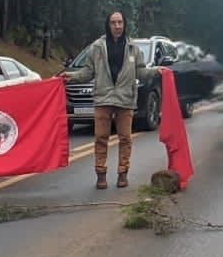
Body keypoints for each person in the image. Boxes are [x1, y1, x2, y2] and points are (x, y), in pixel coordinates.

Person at [58, 11, 158, 189]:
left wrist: (157, 72)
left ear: (124, 24)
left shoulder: (133, 48)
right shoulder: (97, 47)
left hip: (125, 99)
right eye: (114, 22)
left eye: (120, 22)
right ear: (108, 25)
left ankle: (122, 173)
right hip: (103, 98)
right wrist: (71, 77)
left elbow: (141, 72)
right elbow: (88, 72)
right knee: (101, 138)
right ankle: (101, 175)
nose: (117, 26)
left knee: (125, 138)